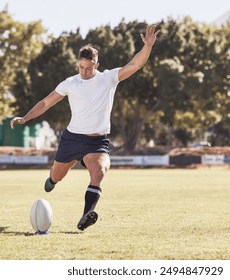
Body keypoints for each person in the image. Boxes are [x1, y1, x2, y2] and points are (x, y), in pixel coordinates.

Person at [10, 25, 160, 232]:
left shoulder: (108, 78)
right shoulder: (70, 83)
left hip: (97, 142)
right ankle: (52, 178)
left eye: (88, 67)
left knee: (99, 171)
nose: (84, 71)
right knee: (56, 177)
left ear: (97, 64)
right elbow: (46, 103)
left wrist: (148, 47)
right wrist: (26, 117)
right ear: (77, 64)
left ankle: (86, 215)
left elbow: (135, 64)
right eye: (81, 67)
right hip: (72, 139)